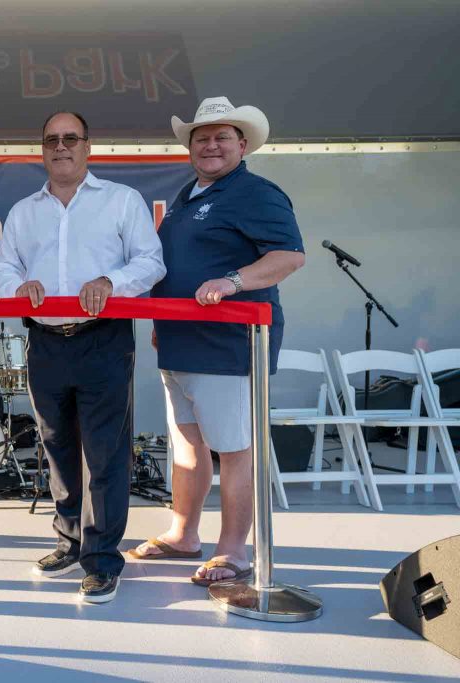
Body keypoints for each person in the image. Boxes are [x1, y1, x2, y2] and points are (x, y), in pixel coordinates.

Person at [0, 111, 166, 603]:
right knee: (57, 449)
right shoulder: (24, 211)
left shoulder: (121, 201)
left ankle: (103, 560)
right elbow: (2, 269)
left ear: (89, 146)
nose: (61, 146)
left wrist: (111, 284)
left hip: (103, 340)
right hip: (45, 343)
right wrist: (16, 286)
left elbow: (150, 262)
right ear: (41, 149)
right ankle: (69, 541)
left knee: (105, 454)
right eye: (51, 139)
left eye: (71, 138)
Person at [131, 97, 305, 585]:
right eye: (201, 137)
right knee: (187, 447)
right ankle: (184, 534)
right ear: (189, 147)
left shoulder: (255, 193)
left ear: (242, 144)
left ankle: (234, 552)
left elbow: (289, 257)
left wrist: (233, 281)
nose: (210, 145)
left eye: (221, 136)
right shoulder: (189, 195)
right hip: (181, 347)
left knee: (234, 450)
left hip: (230, 347)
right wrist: (163, 328)